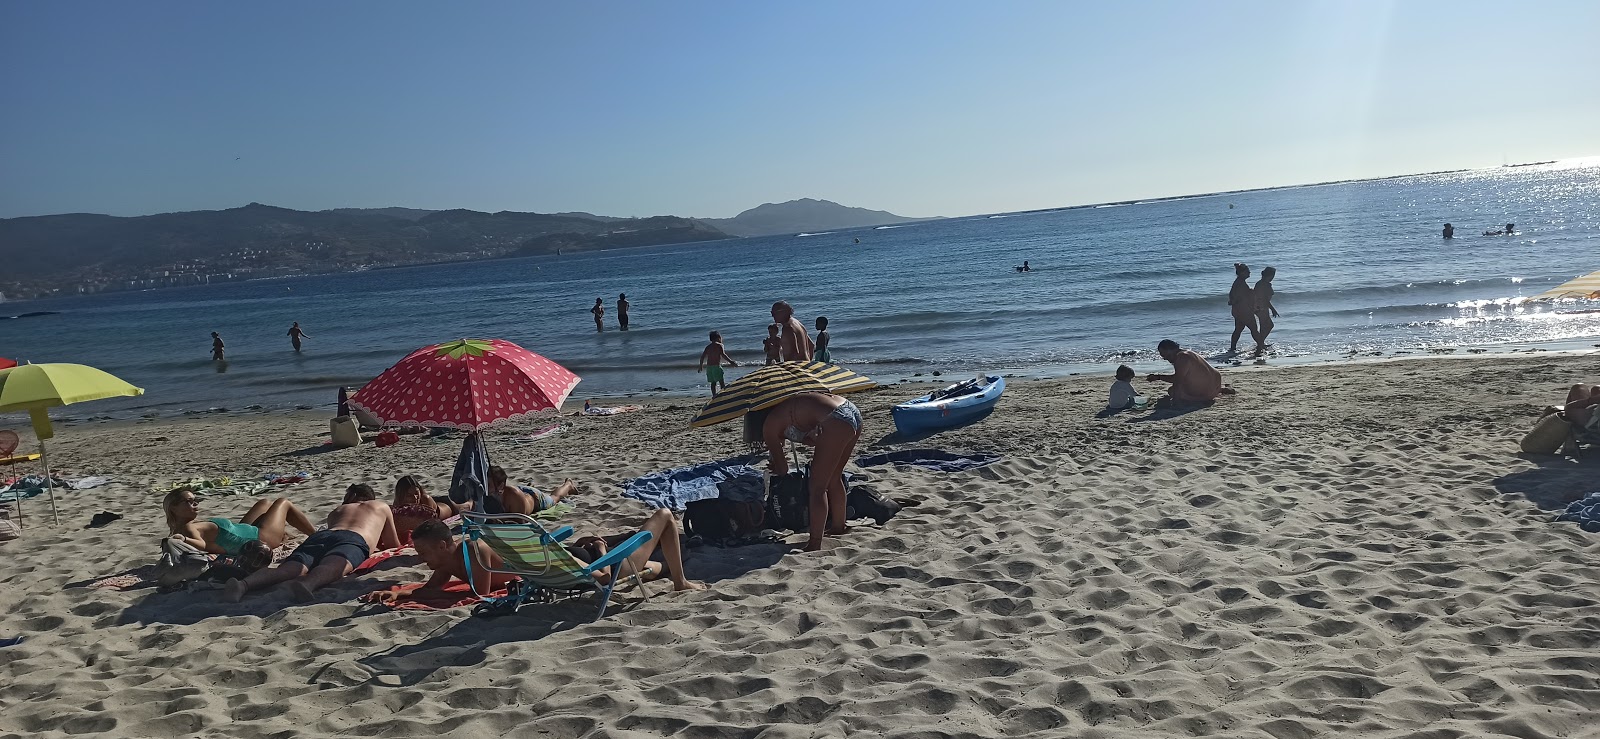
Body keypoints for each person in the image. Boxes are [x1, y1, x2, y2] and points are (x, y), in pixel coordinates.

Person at [224, 484, 399, 602]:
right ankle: (308, 584)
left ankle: (243, 585)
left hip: (322, 535)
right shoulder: (381, 506)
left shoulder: (337, 510)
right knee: (334, 564)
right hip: (354, 538)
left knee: (288, 569)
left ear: (352, 496)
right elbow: (393, 543)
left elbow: (334, 535)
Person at [760, 392, 863, 552]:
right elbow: (811, 440)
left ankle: (815, 543)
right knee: (834, 477)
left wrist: (774, 464)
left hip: (836, 419)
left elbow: (782, 470)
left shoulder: (768, 426)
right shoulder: (784, 408)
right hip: (850, 410)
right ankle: (838, 525)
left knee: (817, 488)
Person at [163, 488, 316, 556]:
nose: (195, 504)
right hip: (259, 539)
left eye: (196, 501)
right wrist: (184, 540)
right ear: (174, 508)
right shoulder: (189, 530)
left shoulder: (182, 527)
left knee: (265, 503)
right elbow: (203, 545)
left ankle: (282, 531)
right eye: (189, 502)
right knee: (283, 502)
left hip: (245, 531)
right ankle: (316, 535)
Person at [1147, 339, 1226, 404]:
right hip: (1215, 386)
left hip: (1205, 394)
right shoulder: (1189, 353)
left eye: (1166, 355)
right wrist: (1158, 377)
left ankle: (1206, 394)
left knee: (1172, 391)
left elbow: (1177, 380)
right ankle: (1221, 389)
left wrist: (1176, 402)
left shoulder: (1182, 358)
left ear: (1171, 349)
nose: (1165, 358)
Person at [391, 475, 463, 543]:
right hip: (436, 502)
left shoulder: (425, 499)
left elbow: (430, 525)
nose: (415, 497)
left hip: (448, 505)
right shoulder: (398, 503)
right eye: (409, 495)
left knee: (464, 506)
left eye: (416, 493)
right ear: (401, 496)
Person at [488, 465, 575, 516]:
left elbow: (520, 523)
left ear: (501, 485)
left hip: (535, 498)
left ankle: (568, 485)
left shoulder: (513, 497)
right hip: (521, 491)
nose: (486, 488)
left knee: (555, 498)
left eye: (489, 485)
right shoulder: (486, 493)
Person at [1227, 263, 1260, 354]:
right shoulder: (1240, 283)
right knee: (1253, 329)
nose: (1249, 272)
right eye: (1247, 271)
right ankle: (1261, 346)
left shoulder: (1238, 282)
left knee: (1238, 329)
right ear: (1242, 273)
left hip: (1238, 311)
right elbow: (1239, 297)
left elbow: (1233, 297)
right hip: (1244, 311)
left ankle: (1232, 348)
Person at [1253, 266, 1280, 351]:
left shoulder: (1260, 283)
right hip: (1261, 307)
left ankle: (1261, 344)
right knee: (1269, 325)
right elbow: (1264, 299)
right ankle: (1260, 344)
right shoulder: (1264, 284)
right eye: (1273, 275)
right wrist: (1273, 309)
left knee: (1263, 326)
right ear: (1270, 275)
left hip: (1259, 306)